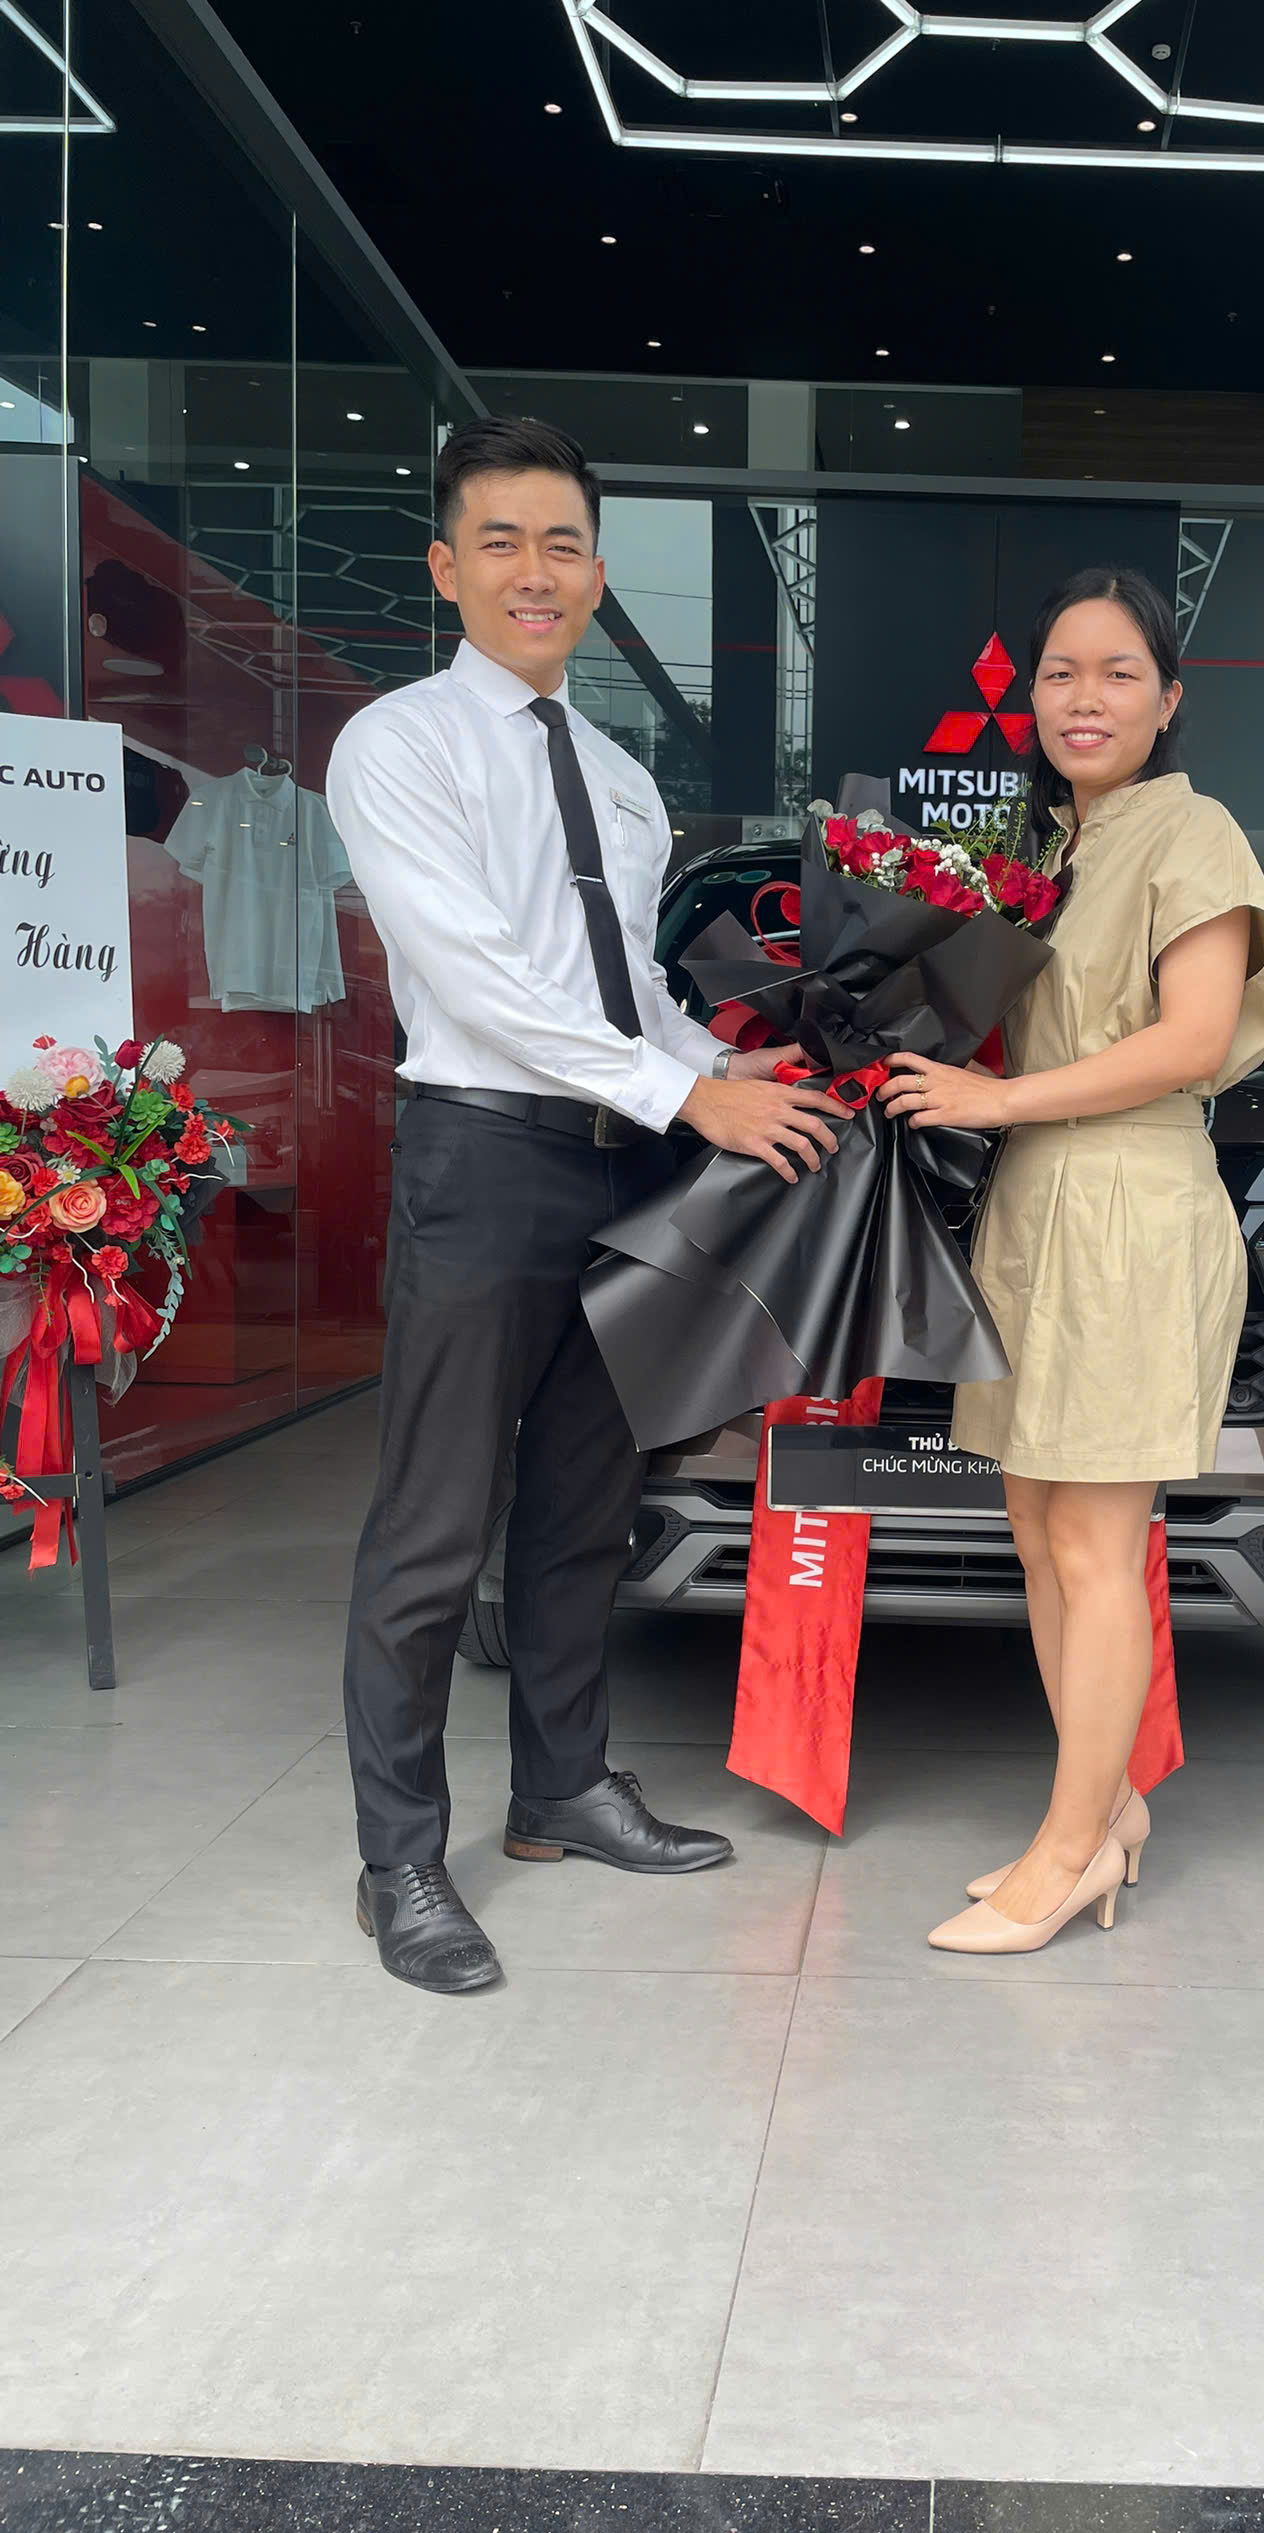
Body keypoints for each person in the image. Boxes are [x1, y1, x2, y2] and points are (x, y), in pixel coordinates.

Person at [329, 416, 850, 1995]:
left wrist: (737, 1069)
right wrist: (690, 1096)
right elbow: (480, 978)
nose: (534, 571)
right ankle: (399, 1859)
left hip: (625, 1165)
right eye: (501, 541)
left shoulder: (622, 782)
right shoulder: (398, 745)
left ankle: (562, 1790)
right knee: (436, 1525)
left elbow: (626, 994)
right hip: (484, 1158)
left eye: (562, 543)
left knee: (581, 1507)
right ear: (447, 567)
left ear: (599, 574)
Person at [879, 567, 1264, 1954]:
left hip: (1128, 1203)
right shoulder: (1050, 849)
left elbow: (1192, 1039)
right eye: (1060, 672)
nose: (1083, 698)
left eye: (1118, 673)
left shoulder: (1193, 832)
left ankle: (1066, 1856)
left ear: (1168, 701)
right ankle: (1104, 1813)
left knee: (1098, 1544)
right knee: (1038, 1533)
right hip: (1038, 1203)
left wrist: (992, 1098)